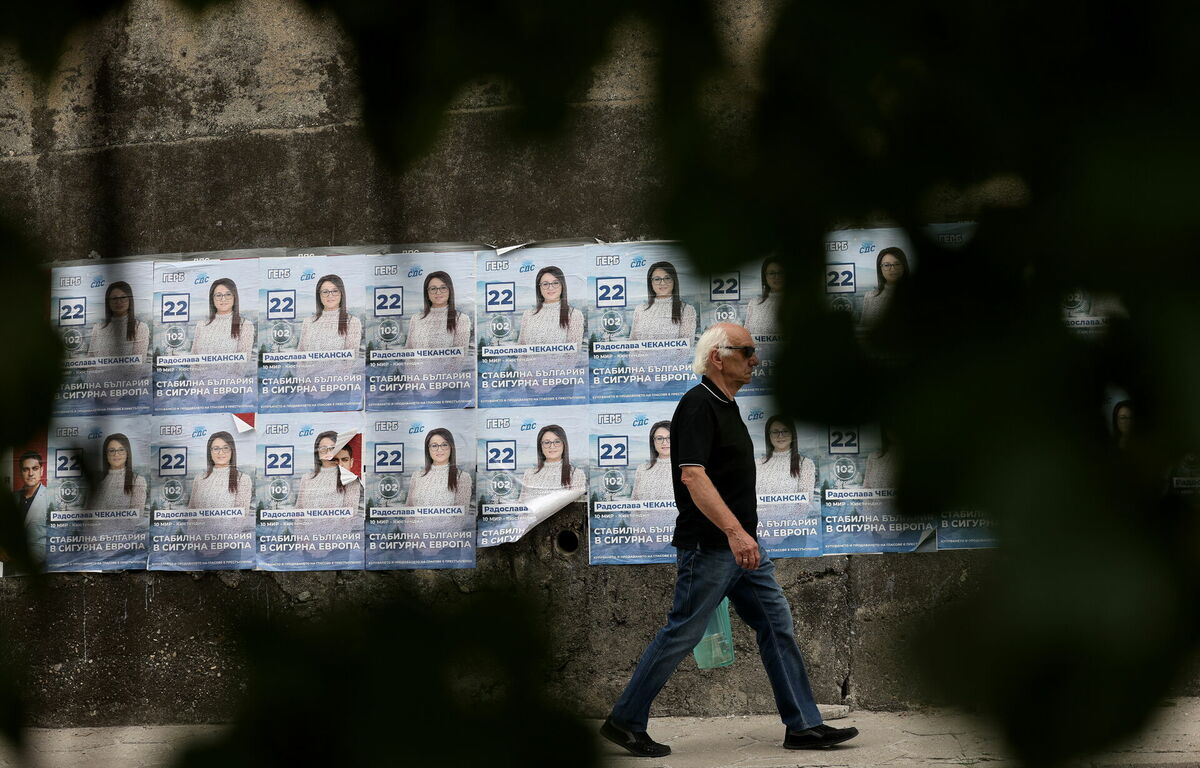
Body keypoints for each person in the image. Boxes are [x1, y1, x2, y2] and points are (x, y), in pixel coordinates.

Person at [602, 322, 858, 757]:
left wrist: (744, 537)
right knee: (682, 630)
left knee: (776, 624)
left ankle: (803, 725)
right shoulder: (698, 405)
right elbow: (692, 476)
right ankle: (624, 722)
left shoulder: (726, 405)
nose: (754, 359)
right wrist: (736, 533)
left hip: (743, 548)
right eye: (746, 351)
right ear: (719, 357)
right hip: (713, 546)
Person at [405, 429, 472, 508]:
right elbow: (409, 509)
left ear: (451, 447)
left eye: (444, 445)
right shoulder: (416, 476)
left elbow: (461, 517)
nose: (439, 450)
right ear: (428, 449)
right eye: (434, 445)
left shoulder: (462, 477)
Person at [629, 262, 697, 341]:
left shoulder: (687, 310)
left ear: (674, 280)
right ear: (651, 283)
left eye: (667, 278)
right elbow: (633, 343)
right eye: (657, 279)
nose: (662, 283)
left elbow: (686, 347)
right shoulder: (640, 310)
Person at [517, 266, 584, 344]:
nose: (550, 288)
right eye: (545, 284)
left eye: (555, 283)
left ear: (562, 285)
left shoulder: (574, 315)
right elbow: (522, 351)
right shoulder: (528, 315)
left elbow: (573, 354)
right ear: (539, 288)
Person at [405, 272, 472, 349]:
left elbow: (460, 358)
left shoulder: (461, 319)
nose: (438, 292)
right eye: (433, 288)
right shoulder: (416, 319)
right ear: (427, 293)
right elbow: (409, 352)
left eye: (443, 288)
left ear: (450, 290)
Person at [297, 431, 362, 510]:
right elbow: (299, 510)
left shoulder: (349, 479)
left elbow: (350, 513)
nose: (328, 452)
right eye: (323, 449)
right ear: (317, 452)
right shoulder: (306, 478)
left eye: (332, 448)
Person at [518, 425, 585, 501]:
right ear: (541, 446)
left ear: (564, 444)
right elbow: (523, 506)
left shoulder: (576, 474)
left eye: (557, 442)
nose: (552, 446)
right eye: (547, 442)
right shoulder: (529, 474)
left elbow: (578, 508)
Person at [298, 275, 363, 352]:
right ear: (319, 295)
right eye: (325, 292)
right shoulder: (308, 322)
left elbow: (350, 360)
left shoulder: (353, 322)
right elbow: (301, 356)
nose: (330, 295)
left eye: (335, 291)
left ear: (341, 293)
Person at [188, 432, 252, 509]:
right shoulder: (199, 479)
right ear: (210, 452)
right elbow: (192, 512)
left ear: (232, 451)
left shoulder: (243, 479)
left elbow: (241, 517)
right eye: (216, 448)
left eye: (225, 448)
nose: (220, 452)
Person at [190, 279, 255, 355]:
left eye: (228, 294)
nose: (223, 299)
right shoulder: (201, 325)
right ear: (212, 299)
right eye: (218, 295)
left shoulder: (245, 325)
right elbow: (194, 358)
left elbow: (243, 362)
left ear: (234, 297)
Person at [757, 416, 817, 496]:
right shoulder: (757, 464)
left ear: (792, 433)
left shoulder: (805, 464)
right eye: (775, 432)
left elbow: (805, 503)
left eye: (785, 431)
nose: (780, 436)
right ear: (769, 435)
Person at [87, 281, 149, 357]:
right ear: (108, 302)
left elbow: (139, 364)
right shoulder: (97, 328)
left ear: (130, 299)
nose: (119, 302)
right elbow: (91, 360)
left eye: (123, 297)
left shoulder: (140, 327)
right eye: (114, 298)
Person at [92, 433, 148, 511]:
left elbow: (136, 519)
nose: (116, 454)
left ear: (127, 453)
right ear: (106, 455)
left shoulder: (138, 481)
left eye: (121, 450)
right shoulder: (97, 482)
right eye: (112, 450)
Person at [859, 247, 908, 328]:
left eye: (897, 264)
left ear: (904, 266)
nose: (892, 269)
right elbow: (864, 331)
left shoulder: (918, 296)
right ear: (880, 268)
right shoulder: (870, 297)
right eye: (886, 265)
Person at [14, 451, 48, 560]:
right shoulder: (13, 497)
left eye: (35, 468)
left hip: (39, 565)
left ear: (41, 471)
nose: (30, 473)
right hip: (11, 564)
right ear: (20, 472)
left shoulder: (51, 498)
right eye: (26, 469)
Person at [631, 421, 674, 500]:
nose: (664, 442)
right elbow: (635, 504)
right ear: (653, 441)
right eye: (659, 438)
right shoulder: (642, 469)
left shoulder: (685, 469)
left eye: (669, 438)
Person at [744, 257, 784, 338]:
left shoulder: (796, 303)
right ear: (765, 276)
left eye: (781, 272)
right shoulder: (754, 303)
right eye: (772, 273)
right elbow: (746, 334)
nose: (776, 277)